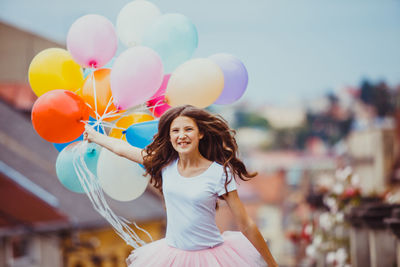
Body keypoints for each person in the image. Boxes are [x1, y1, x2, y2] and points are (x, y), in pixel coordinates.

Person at [84, 105, 278, 267]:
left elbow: (246, 224)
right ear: (169, 137)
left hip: (212, 257)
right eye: (175, 131)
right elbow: (122, 149)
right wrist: (94, 136)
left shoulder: (219, 172)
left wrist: (272, 264)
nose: (181, 135)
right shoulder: (164, 165)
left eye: (188, 129)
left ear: (200, 133)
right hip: (171, 256)